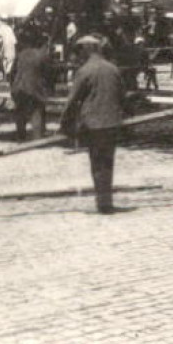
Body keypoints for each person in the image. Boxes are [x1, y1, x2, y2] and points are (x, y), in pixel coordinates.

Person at [60, 34, 124, 214]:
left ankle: (103, 204)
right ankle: (106, 201)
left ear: (86, 51)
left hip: (93, 125)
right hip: (112, 123)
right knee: (108, 162)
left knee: (97, 164)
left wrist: (64, 124)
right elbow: (122, 95)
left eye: (80, 51)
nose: (78, 55)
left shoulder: (85, 71)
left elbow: (72, 101)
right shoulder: (113, 69)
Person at [8, 29, 55, 142]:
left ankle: (20, 136)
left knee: (20, 110)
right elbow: (49, 75)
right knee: (37, 108)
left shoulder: (21, 54)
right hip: (34, 89)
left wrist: (13, 85)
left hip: (18, 88)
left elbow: (11, 73)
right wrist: (50, 89)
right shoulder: (43, 56)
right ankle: (37, 136)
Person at [0, 18, 18, 83]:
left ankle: (4, 78)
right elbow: (15, 41)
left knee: (2, 63)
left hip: (5, 50)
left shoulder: (0, 30)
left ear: (0, 22)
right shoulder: (9, 29)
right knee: (8, 64)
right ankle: (6, 78)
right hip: (11, 50)